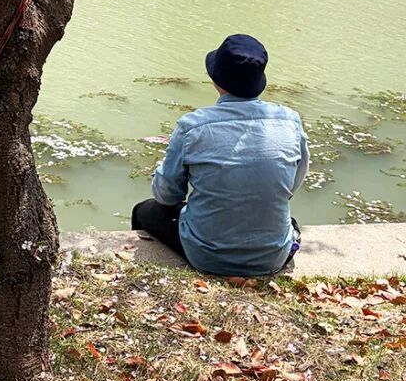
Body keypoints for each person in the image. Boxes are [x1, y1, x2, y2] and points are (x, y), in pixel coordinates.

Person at [131, 33, 308, 277]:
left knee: (144, 211)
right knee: (289, 222)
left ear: (216, 79)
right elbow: (292, 185)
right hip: (272, 256)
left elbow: (167, 195)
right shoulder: (290, 121)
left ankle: (145, 266)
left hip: (207, 257)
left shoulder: (192, 126)